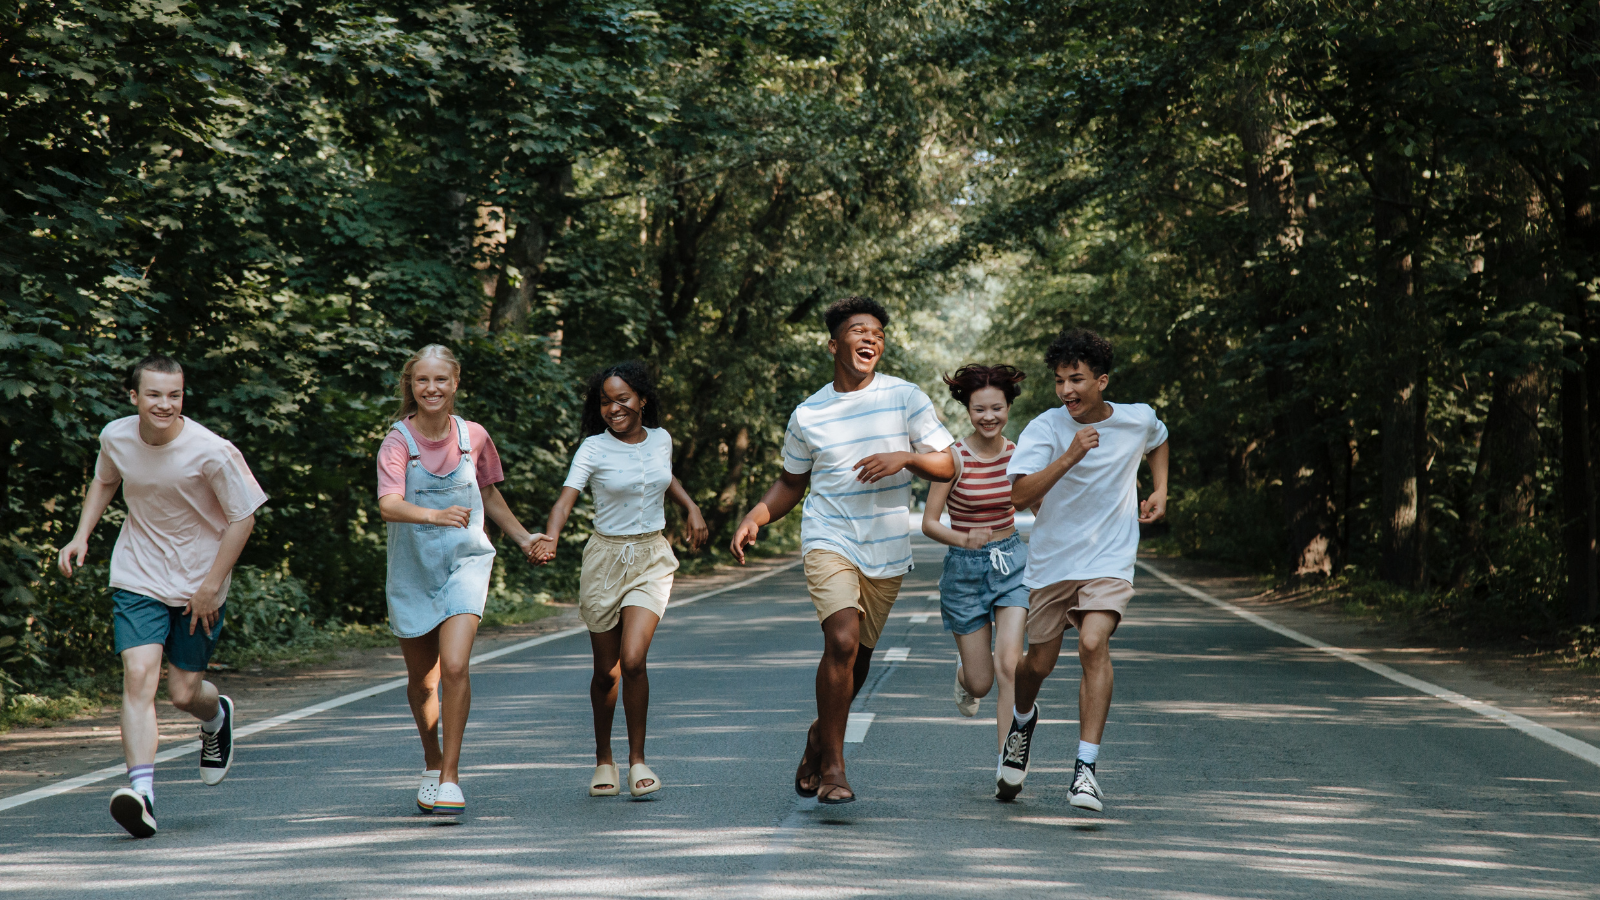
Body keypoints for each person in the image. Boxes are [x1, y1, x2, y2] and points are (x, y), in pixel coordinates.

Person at [731, 295, 954, 805]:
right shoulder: (809, 413)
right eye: (859, 331)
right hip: (829, 536)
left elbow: (948, 464)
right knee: (842, 641)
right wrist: (755, 516)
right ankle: (834, 767)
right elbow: (791, 483)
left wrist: (905, 458)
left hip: (886, 546)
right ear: (834, 345)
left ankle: (818, 737)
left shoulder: (905, 397)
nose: (870, 338)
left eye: (878, 333)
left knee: (859, 661)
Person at [57, 355, 267, 838]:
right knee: (137, 675)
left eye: (175, 395)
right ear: (134, 396)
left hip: (199, 582)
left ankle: (216, 716)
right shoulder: (116, 436)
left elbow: (244, 518)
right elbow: (105, 479)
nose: (165, 404)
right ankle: (143, 793)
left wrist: (211, 586)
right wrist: (81, 534)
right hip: (138, 574)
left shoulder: (212, 451)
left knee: (183, 694)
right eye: (154, 394)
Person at [998, 328, 1168, 810]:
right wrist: (1071, 454)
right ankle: (1022, 720)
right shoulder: (1046, 428)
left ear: (1102, 381)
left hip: (1110, 557)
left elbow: (1159, 439)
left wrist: (1160, 489)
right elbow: (1018, 496)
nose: (1066, 390)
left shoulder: (1136, 419)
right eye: (1059, 381)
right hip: (1054, 561)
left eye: (1076, 380)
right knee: (1039, 664)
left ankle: (1085, 770)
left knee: (1093, 642)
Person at [376, 344, 542, 816]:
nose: (431, 389)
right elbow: (388, 505)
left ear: (455, 382)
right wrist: (435, 514)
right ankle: (432, 763)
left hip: (466, 562)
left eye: (440, 380)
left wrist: (524, 538)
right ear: (411, 385)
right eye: (422, 380)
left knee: (454, 666)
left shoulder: (474, 437)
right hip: (412, 570)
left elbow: (488, 495)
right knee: (422, 681)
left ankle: (450, 777)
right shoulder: (397, 442)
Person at [531, 361, 708, 799]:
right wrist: (551, 536)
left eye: (622, 398)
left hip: (651, 558)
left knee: (633, 660)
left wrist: (691, 506)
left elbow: (665, 477)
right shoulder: (593, 449)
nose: (614, 408)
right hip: (605, 561)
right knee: (605, 673)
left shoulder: (662, 439)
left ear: (642, 400)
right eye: (605, 401)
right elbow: (565, 500)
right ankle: (603, 758)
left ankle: (637, 760)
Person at [919, 364, 1031, 787]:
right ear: (967, 410)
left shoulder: (1019, 455)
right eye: (979, 409)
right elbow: (930, 523)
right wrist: (964, 538)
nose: (989, 417)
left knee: (1010, 665)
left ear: (1008, 407)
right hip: (964, 571)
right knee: (981, 683)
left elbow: (1040, 506)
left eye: (996, 408)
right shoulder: (952, 458)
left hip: (1011, 563)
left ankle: (1008, 763)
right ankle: (965, 673)